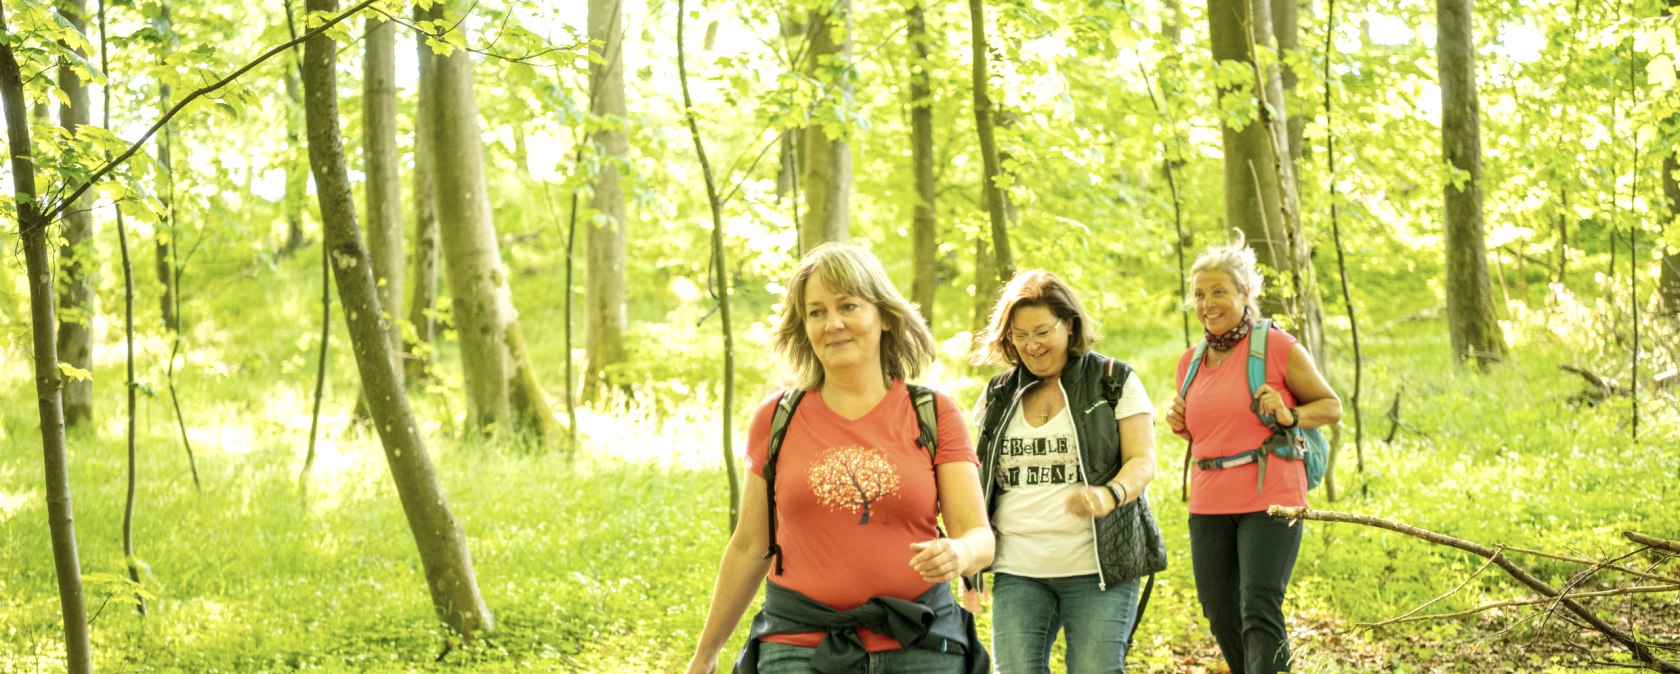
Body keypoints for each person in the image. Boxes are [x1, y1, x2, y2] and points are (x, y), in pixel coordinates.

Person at [685, 243, 994, 674]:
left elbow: (981, 535)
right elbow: (749, 546)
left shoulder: (933, 413)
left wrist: (960, 552)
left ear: (883, 316)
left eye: (848, 305)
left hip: (921, 643)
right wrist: (705, 654)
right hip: (798, 647)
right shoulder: (777, 419)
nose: (832, 323)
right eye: (816, 312)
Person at [1164, 236, 1342, 674]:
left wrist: (1288, 413)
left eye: (1219, 291)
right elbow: (1210, 428)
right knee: (1218, 608)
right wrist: (1180, 420)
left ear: (1246, 293)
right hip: (1208, 501)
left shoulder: (1277, 346)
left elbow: (1331, 407)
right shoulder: (1191, 360)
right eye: (1200, 294)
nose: (1207, 303)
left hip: (1272, 495)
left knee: (1259, 605)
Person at [968, 269, 1159, 674]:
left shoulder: (1113, 380)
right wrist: (970, 562)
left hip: (1097, 567)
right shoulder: (998, 394)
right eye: (1020, 335)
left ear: (1069, 326)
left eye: (1042, 332)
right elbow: (977, 479)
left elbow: (1143, 460)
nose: (1031, 346)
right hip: (1019, 567)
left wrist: (1110, 494)